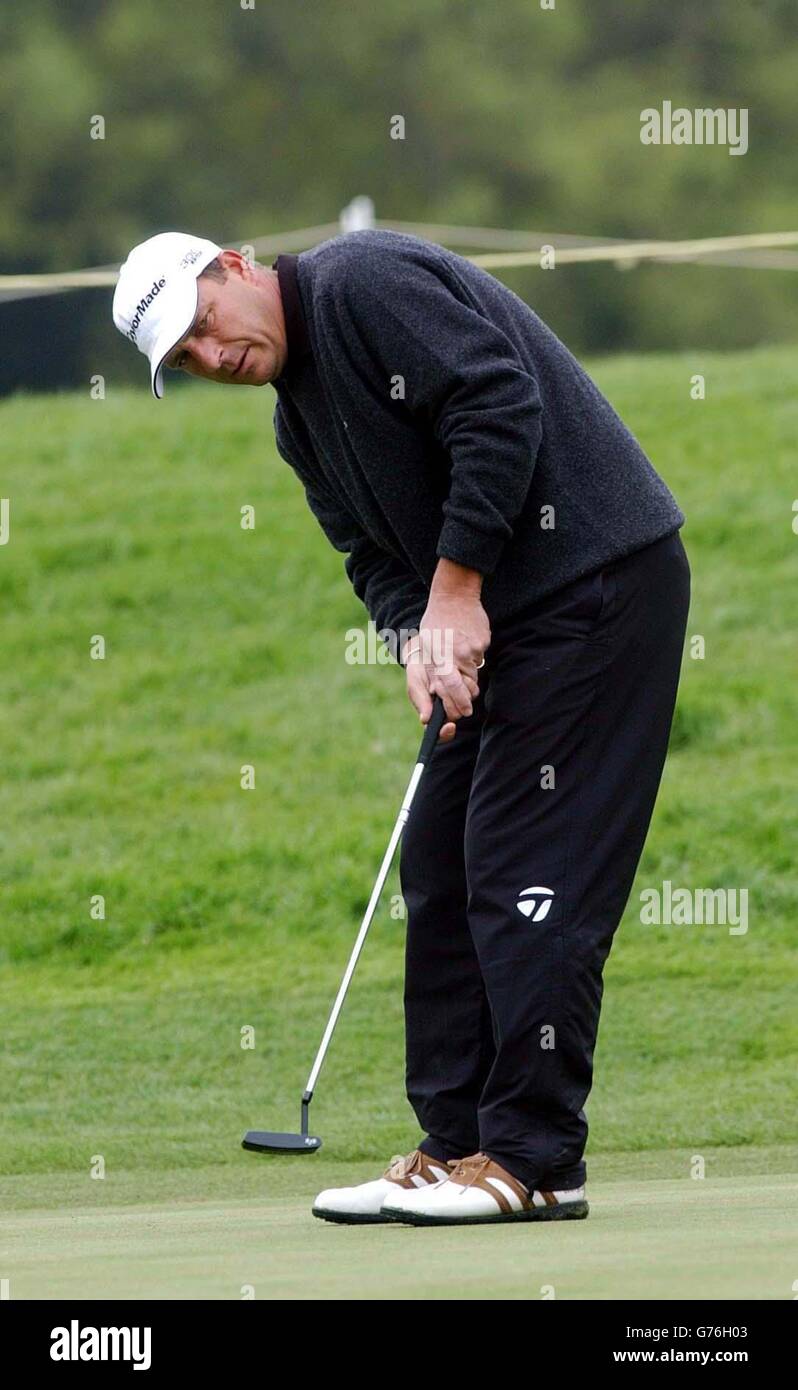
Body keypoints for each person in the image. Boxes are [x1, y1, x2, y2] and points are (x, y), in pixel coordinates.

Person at [113, 228, 690, 1226]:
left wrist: (458, 588)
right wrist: (416, 644)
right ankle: (457, 1144)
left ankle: (534, 1160)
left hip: (597, 582)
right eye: (187, 359)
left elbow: (496, 402)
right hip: (508, 619)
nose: (214, 357)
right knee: (439, 868)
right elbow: (372, 555)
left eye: (204, 324)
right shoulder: (300, 424)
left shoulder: (358, 284)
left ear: (239, 267)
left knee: (524, 873)